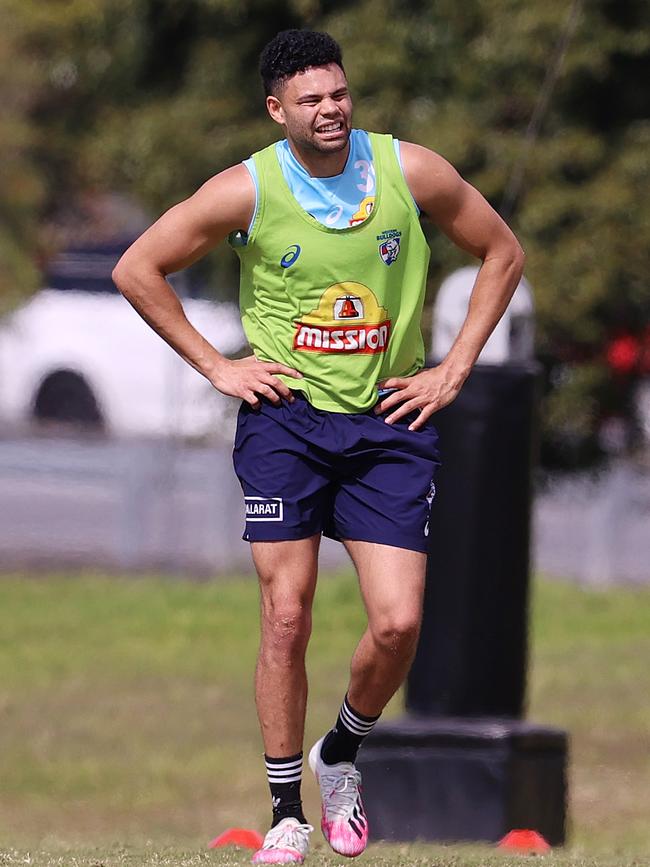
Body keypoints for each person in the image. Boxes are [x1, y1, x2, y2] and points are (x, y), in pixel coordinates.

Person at [112, 28, 525, 865]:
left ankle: (340, 752)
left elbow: (501, 251)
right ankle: (283, 813)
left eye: (338, 93)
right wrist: (216, 366)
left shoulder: (412, 171)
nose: (330, 109)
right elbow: (137, 267)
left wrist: (452, 370)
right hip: (287, 421)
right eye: (311, 100)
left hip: (388, 423)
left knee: (399, 621)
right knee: (287, 612)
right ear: (277, 110)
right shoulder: (248, 189)